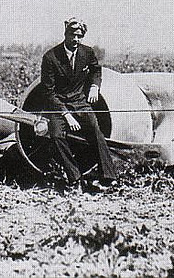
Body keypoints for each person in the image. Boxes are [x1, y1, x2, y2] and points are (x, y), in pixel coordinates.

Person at [40, 17, 117, 187]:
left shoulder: (87, 53)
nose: (76, 39)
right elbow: (48, 92)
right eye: (73, 35)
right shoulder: (50, 57)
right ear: (65, 34)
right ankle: (75, 178)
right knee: (57, 136)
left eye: (79, 36)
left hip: (79, 101)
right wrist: (67, 115)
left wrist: (95, 86)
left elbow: (96, 70)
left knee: (95, 130)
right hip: (57, 105)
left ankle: (108, 177)